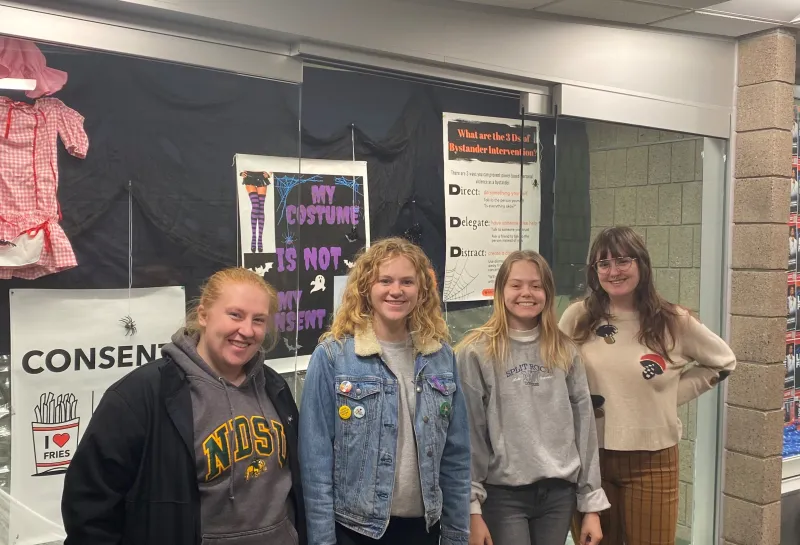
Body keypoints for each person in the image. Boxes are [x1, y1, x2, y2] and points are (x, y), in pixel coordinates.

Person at [62, 268, 305, 545]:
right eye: (235, 315)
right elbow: (90, 506)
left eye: (258, 320)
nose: (247, 330)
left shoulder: (274, 387)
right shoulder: (141, 395)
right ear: (203, 315)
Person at [559, 226, 736, 545]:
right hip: (589, 459)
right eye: (604, 264)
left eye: (622, 260)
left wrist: (669, 397)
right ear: (594, 271)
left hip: (652, 462)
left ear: (641, 263)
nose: (613, 271)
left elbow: (723, 361)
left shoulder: (673, 321)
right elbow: (555, 374)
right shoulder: (577, 318)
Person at [299, 237, 471, 545]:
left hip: (424, 529)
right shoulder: (333, 357)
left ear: (422, 292)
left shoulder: (441, 358)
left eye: (407, 281)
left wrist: (457, 536)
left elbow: (456, 458)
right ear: (366, 288)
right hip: (355, 530)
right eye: (385, 281)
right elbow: (315, 462)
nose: (396, 290)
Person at [458, 250, 608, 545]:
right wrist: (472, 508)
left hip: (558, 494)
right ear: (500, 291)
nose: (526, 293)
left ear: (547, 293)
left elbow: (584, 428)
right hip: (503, 495)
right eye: (516, 285)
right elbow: (469, 434)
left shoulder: (565, 350)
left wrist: (591, 504)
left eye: (536, 285)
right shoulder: (476, 352)